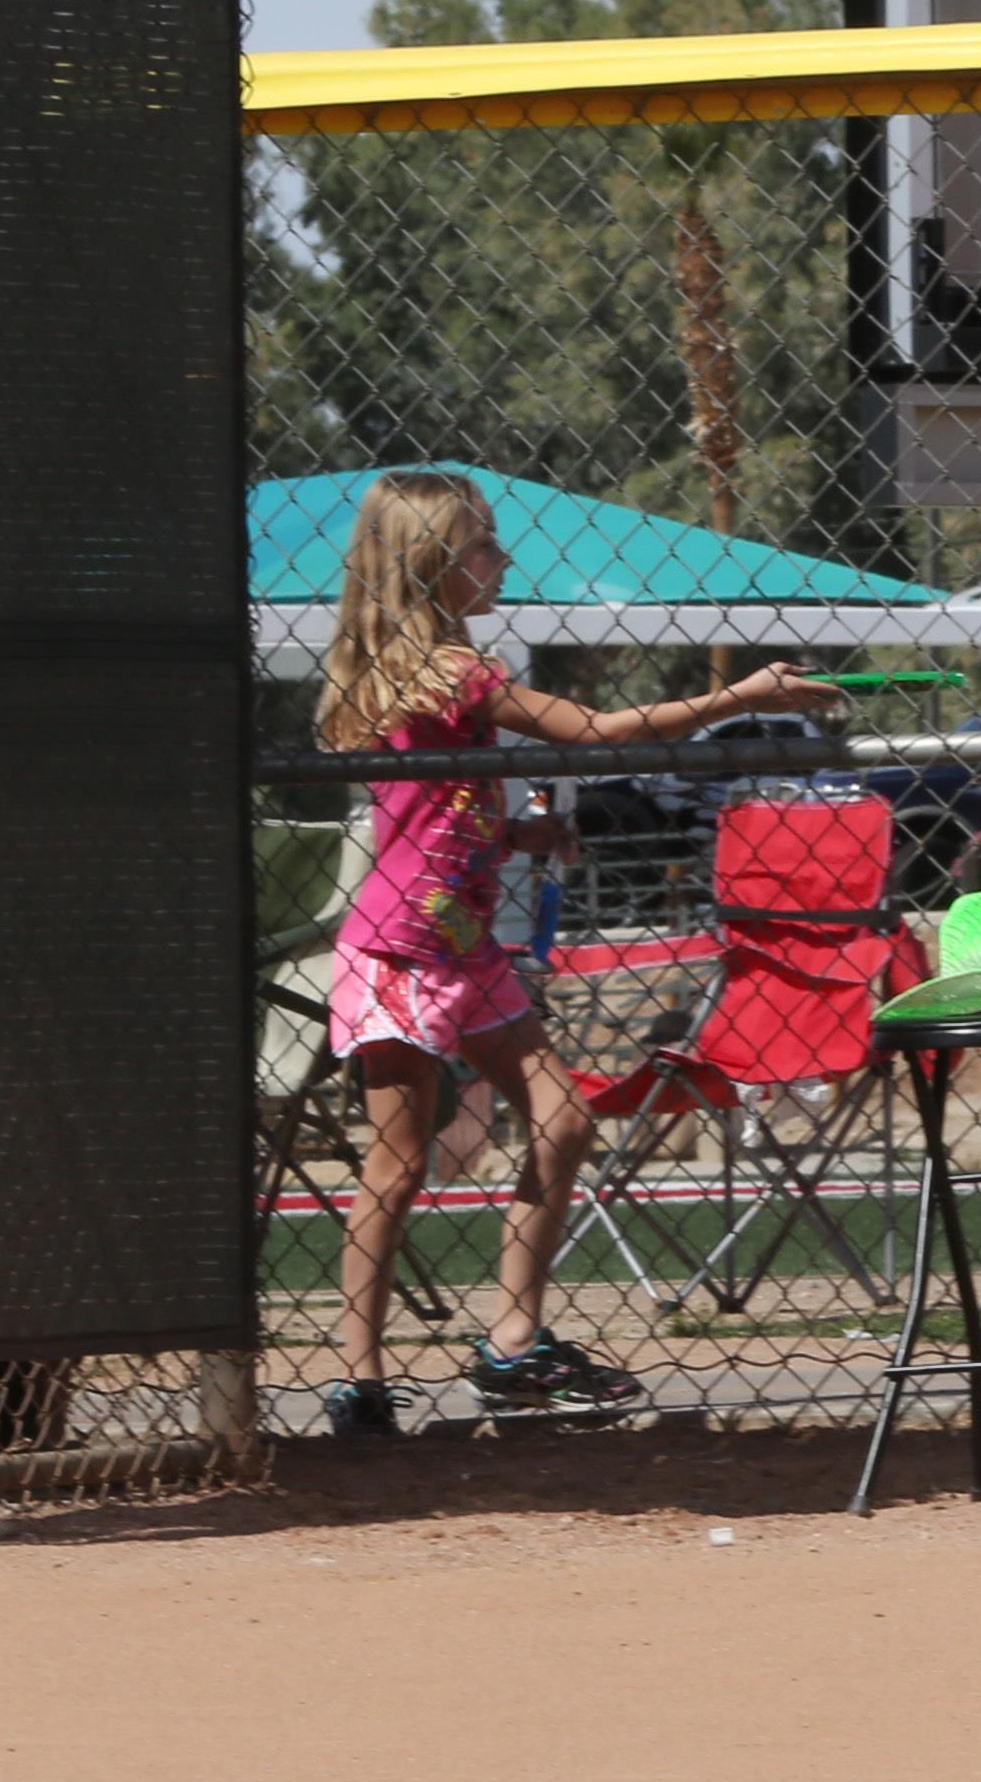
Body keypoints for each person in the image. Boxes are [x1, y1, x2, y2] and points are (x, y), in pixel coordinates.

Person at [311, 467, 843, 1435]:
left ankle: (513, 1343)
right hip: (402, 955)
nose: (502, 558)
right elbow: (597, 730)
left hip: (466, 950)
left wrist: (514, 835)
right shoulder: (450, 673)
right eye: (482, 545)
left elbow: (425, 812)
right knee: (398, 1165)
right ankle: (361, 1379)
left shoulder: (429, 672)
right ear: (430, 564)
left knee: (560, 1121)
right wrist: (742, 695)